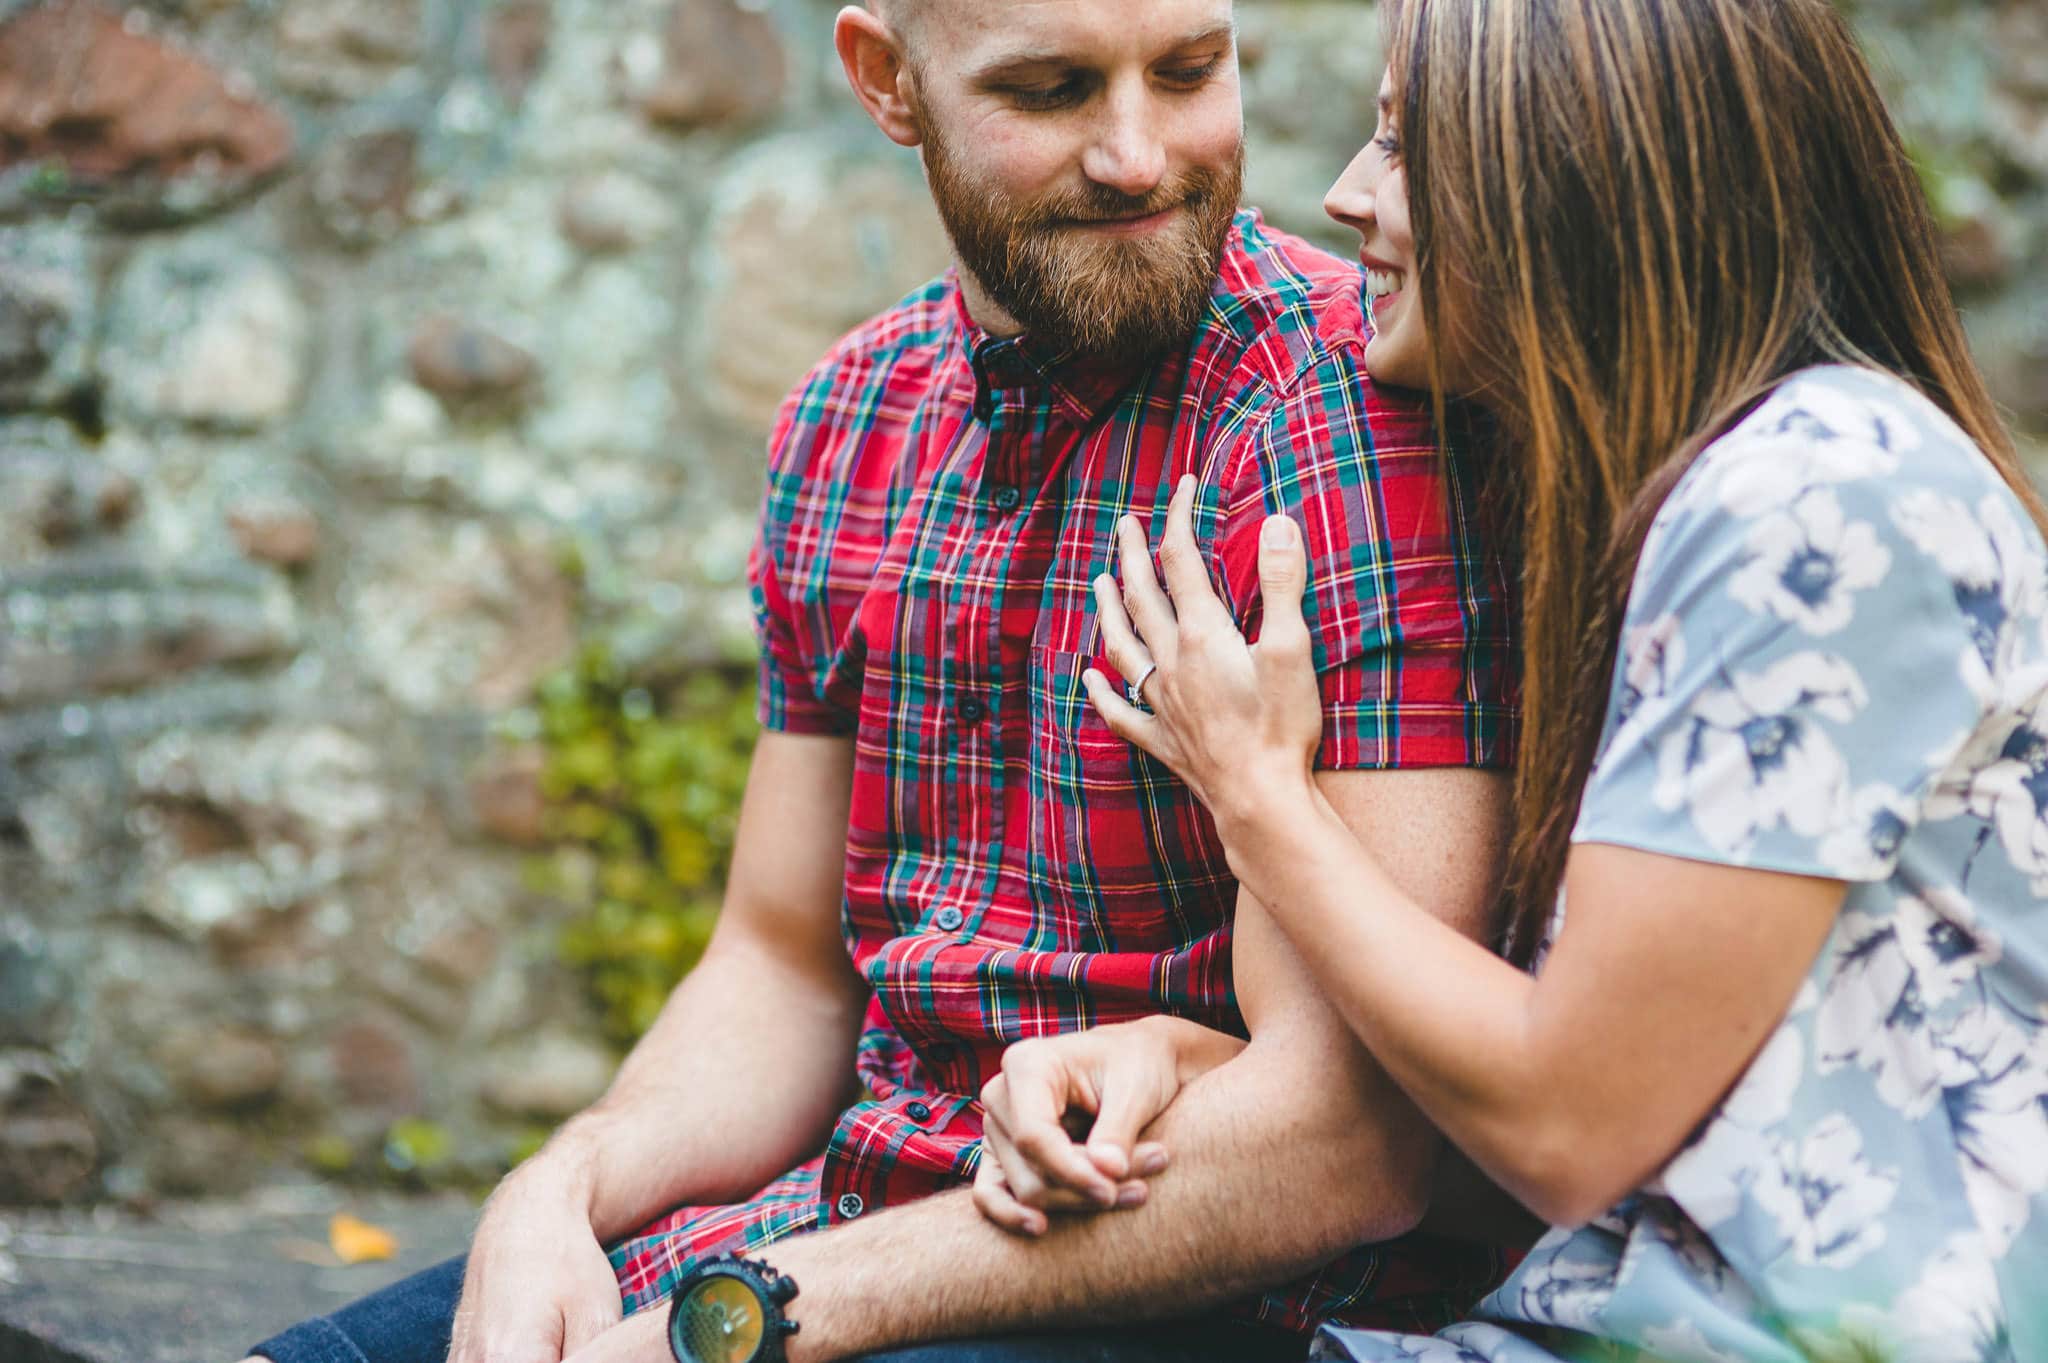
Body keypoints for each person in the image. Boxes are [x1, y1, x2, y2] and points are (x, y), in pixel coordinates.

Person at [238, 2, 1524, 1362]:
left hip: (1194, 1291)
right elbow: (782, 964)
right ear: (884, 83)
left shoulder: (1353, 411)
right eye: (1050, 90)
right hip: (836, 1229)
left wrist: (723, 1336)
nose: (1139, 156)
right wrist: (556, 1188)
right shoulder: (856, 409)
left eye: (1192, 74)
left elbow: (1344, 1150)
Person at [971, 0, 2048, 1359]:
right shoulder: (1685, 505)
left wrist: (1261, 796)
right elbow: (1647, 1081)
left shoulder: (1822, 498)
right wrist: (1181, 1064)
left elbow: (1567, 1123)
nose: (1348, 196)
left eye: (1403, 146)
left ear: (1577, 173)